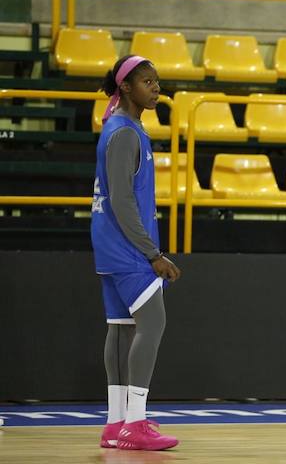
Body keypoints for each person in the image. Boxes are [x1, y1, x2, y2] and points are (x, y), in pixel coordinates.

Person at [92, 54, 181, 451]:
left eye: (157, 81)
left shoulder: (120, 127)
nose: (156, 88)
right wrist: (153, 254)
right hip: (128, 248)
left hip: (110, 245)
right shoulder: (125, 133)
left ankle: (116, 423)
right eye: (147, 82)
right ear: (125, 87)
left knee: (121, 329)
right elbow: (122, 200)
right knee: (152, 324)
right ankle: (135, 422)